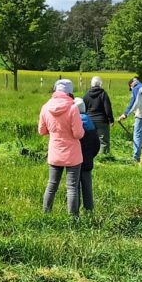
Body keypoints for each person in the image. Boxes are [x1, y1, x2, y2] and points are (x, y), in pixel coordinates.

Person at [39, 79, 85, 217]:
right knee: (71, 188)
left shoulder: (45, 107)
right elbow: (78, 133)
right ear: (70, 92)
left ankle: (46, 214)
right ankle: (73, 218)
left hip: (54, 152)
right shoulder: (72, 108)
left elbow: (42, 131)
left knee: (52, 185)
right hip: (72, 154)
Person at [117, 77, 142, 163]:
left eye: (130, 89)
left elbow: (134, 102)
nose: (131, 90)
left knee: (137, 135)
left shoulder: (136, 89)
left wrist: (125, 114)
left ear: (131, 85)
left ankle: (136, 158)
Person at [75, 97, 101, 213]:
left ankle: (75, 210)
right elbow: (97, 144)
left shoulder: (74, 122)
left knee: (74, 187)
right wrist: (91, 156)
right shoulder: (91, 123)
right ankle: (89, 209)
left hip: (74, 160)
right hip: (88, 161)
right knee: (87, 186)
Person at [82, 77, 115, 155]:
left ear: (91, 84)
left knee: (91, 140)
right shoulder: (103, 94)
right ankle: (103, 156)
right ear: (100, 84)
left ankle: (91, 155)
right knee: (103, 140)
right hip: (102, 121)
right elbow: (108, 108)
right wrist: (111, 120)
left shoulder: (86, 94)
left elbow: (84, 108)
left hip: (90, 121)